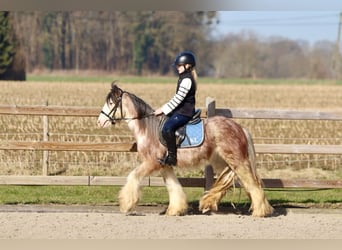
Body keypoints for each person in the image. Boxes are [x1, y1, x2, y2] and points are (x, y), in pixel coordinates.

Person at [154, 51, 198, 166]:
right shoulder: (183, 78)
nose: (177, 68)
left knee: (167, 128)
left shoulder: (187, 80)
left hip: (185, 112)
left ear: (187, 66)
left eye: (179, 65)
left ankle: (172, 157)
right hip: (180, 110)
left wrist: (163, 109)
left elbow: (178, 98)